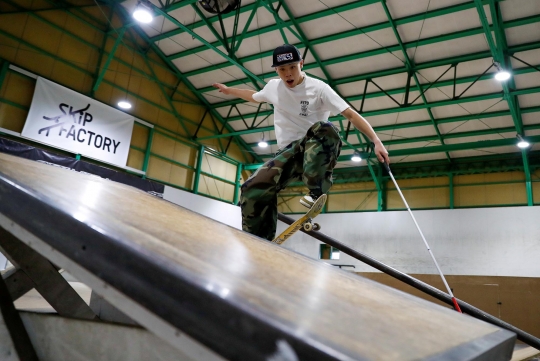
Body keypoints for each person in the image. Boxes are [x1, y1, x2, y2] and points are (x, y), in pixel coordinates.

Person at [213, 44, 389, 241]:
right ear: (276, 70)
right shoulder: (273, 87)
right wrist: (229, 91)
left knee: (325, 127)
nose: (288, 74)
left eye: (292, 67)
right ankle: (258, 240)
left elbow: (351, 114)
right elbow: (253, 96)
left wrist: (376, 141)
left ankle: (316, 192)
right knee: (251, 188)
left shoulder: (320, 88)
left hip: (314, 147)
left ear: (301, 64)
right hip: (288, 153)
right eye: (282, 69)